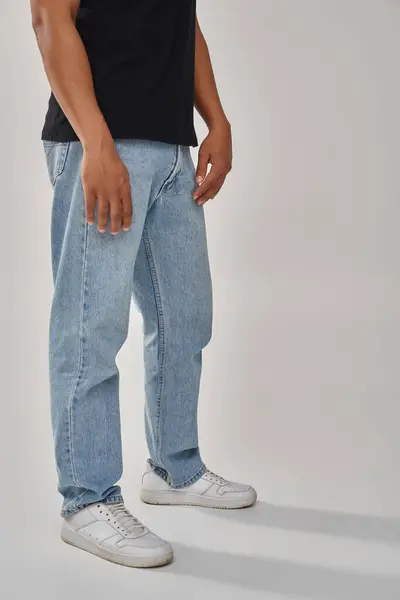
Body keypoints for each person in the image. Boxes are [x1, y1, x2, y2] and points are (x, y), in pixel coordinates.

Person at [31, 0, 257, 568]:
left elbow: (185, 24)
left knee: (185, 318)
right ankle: (86, 499)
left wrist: (218, 120)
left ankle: (173, 467)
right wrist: (96, 143)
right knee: (92, 328)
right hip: (101, 142)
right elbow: (49, 19)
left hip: (171, 149)